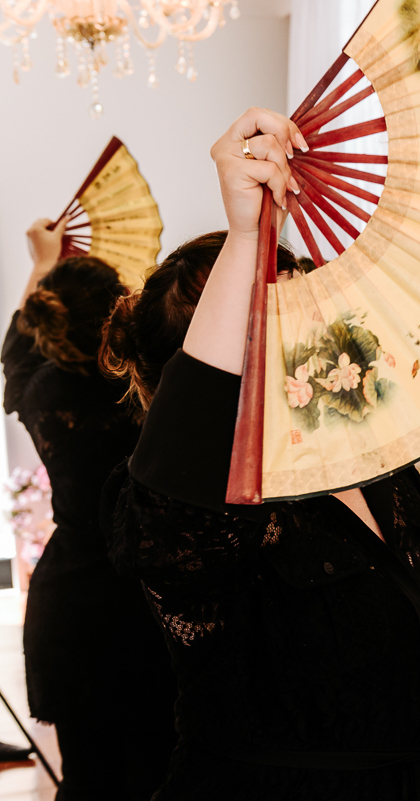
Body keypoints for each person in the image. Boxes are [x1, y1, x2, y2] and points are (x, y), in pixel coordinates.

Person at [100, 107, 420, 801]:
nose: (306, 309)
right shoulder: (184, 513)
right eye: (270, 304)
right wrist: (248, 236)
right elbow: (178, 512)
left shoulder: (364, 461)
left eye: (296, 285)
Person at [2, 220, 176, 800]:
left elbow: (14, 355)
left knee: (86, 784)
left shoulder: (39, 392)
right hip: (149, 608)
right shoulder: (155, 386)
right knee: (158, 779)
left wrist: (43, 262)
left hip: (71, 607)